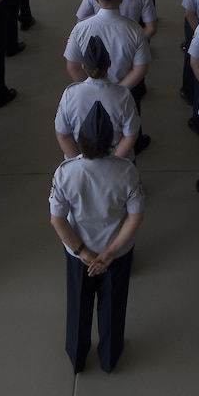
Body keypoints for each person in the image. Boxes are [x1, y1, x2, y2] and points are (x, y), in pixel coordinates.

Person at [50, 101, 145, 373]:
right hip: (116, 252)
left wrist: (83, 252)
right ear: (110, 142)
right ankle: (109, 355)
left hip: (79, 251)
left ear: (80, 140)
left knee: (78, 304)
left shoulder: (65, 172)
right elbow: (135, 217)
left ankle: (77, 355)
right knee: (113, 306)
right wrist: (110, 253)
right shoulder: (126, 171)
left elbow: (57, 220)